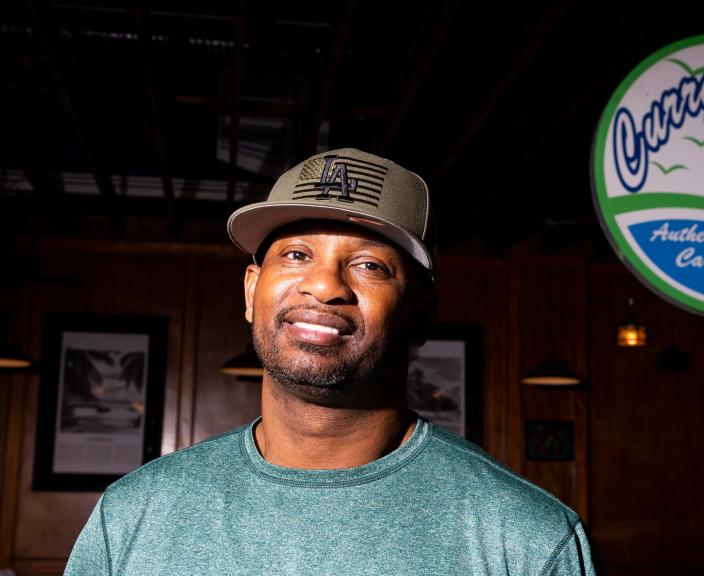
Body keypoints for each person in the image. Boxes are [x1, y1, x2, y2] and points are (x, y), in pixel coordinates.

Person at [65, 148, 595, 575]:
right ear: (252, 292)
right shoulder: (133, 514)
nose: (323, 285)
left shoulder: (526, 538)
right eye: (296, 254)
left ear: (420, 315)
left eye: (368, 264)